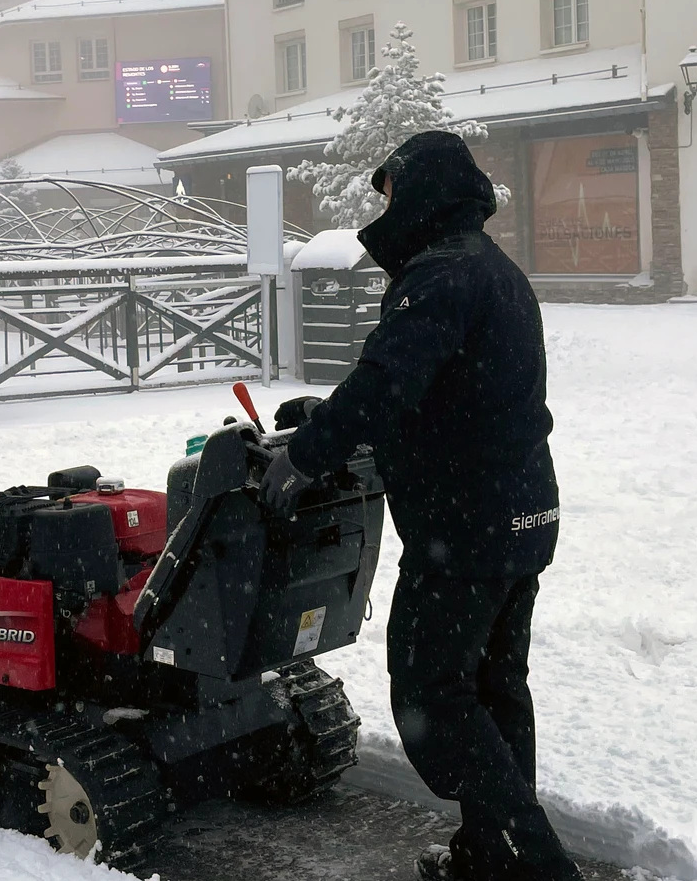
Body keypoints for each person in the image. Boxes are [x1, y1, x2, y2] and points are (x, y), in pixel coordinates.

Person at [259, 130, 580, 881]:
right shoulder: (492, 269)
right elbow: (441, 391)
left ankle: (538, 867)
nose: (388, 207)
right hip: (522, 515)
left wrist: (306, 457)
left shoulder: (439, 276)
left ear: (424, 188)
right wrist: (330, 417)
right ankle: (486, 855)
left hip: (465, 531)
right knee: (496, 691)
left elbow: (387, 380)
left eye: (393, 191)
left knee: (434, 699)